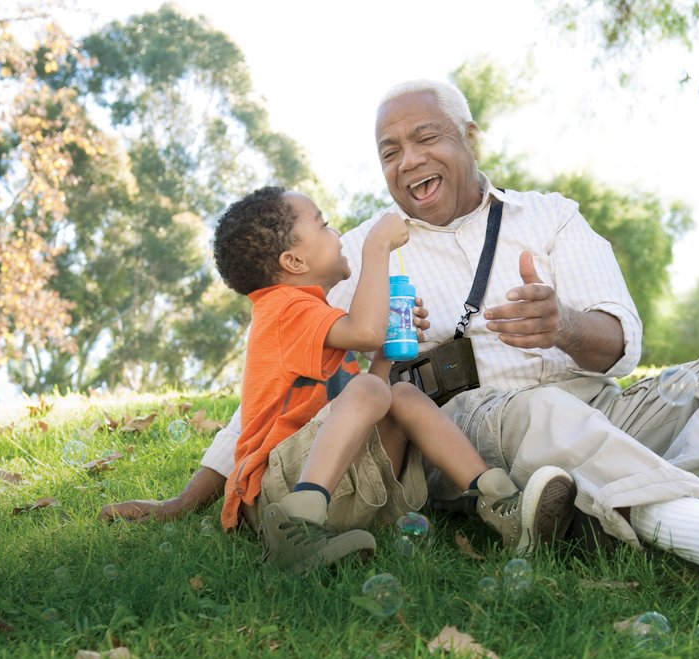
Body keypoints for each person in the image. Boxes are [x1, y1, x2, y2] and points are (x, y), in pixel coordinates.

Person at [107, 78, 699, 612]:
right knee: (540, 411)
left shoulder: (551, 217)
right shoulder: (370, 248)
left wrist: (563, 324)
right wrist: (187, 497)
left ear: (469, 137)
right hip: (479, 426)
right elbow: (277, 384)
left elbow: (622, 343)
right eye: (388, 150)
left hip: (603, 407)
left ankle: (623, 506)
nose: (406, 161)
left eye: (425, 137)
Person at [208, 186, 576, 573]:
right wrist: (376, 247)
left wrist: (389, 349)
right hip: (273, 495)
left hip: (332, 484)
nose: (337, 235)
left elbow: (375, 391)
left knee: (400, 394)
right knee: (367, 388)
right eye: (325, 225)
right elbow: (365, 333)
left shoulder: (314, 316)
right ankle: (297, 523)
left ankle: (499, 502)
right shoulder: (282, 307)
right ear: (294, 261)